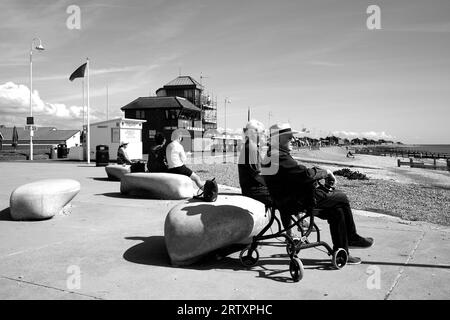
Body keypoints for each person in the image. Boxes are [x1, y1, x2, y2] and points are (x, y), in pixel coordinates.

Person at [262, 123, 373, 265]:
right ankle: (351, 238)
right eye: (290, 138)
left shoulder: (273, 155)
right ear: (278, 140)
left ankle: (342, 252)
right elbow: (305, 174)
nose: (294, 140)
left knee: (336, 211)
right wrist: (325, 172)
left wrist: (317, 174)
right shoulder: (278, 156)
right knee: (342, 197)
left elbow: (296, 174)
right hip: (297, 201)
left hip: (289, 200)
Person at [238, 119, 272, 207]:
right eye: (262, 132)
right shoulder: (251, 148)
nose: (264, 135)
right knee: (285, 197)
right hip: (254, 190)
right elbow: (257, 175)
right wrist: (273, 185)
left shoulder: (250, 146)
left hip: (252, 188)